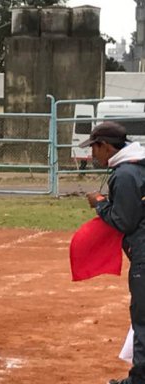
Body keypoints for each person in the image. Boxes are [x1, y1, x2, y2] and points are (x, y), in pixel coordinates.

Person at [81, 121, 145, 384]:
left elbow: (124, 221)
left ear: (106, 147)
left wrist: (100, 204)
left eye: (94, 149)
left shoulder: (125, 174)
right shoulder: (138, 164)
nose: (92, 155)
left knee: (142, 320)